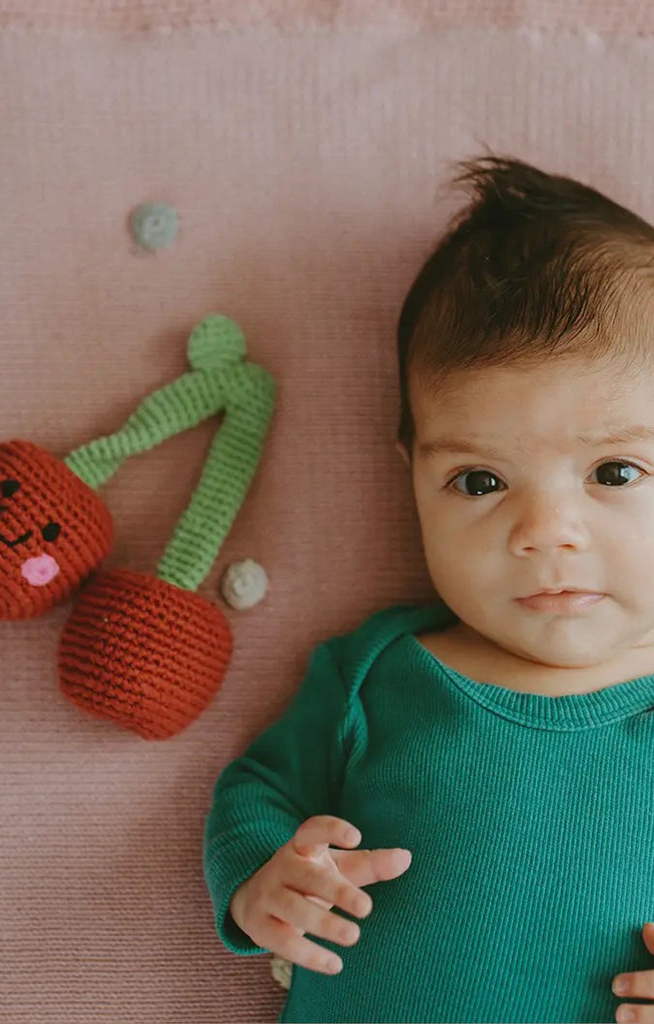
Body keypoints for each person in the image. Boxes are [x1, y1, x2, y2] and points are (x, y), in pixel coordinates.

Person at [203, 155, 654, 1024]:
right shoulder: (378, 674)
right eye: (480, 482)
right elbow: (258, 790)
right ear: (412, 476)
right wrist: (267, 880)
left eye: (614, 471)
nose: (545, 531)